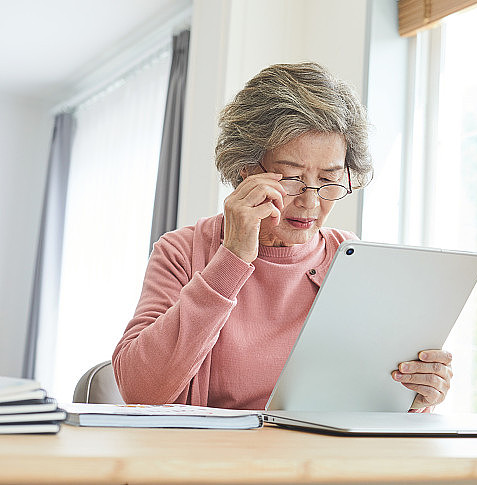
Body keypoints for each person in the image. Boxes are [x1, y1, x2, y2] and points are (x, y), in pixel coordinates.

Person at [112, 62, 453, 410]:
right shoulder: (183, 251)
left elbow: (368, 399)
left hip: (320, 461)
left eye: (328, 179)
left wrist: (413, 394)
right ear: (246, 168)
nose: (310, 201)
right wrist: (231, 258)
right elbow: (140, 390)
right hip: (214, 460)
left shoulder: (351, 258)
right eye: (290, 177)